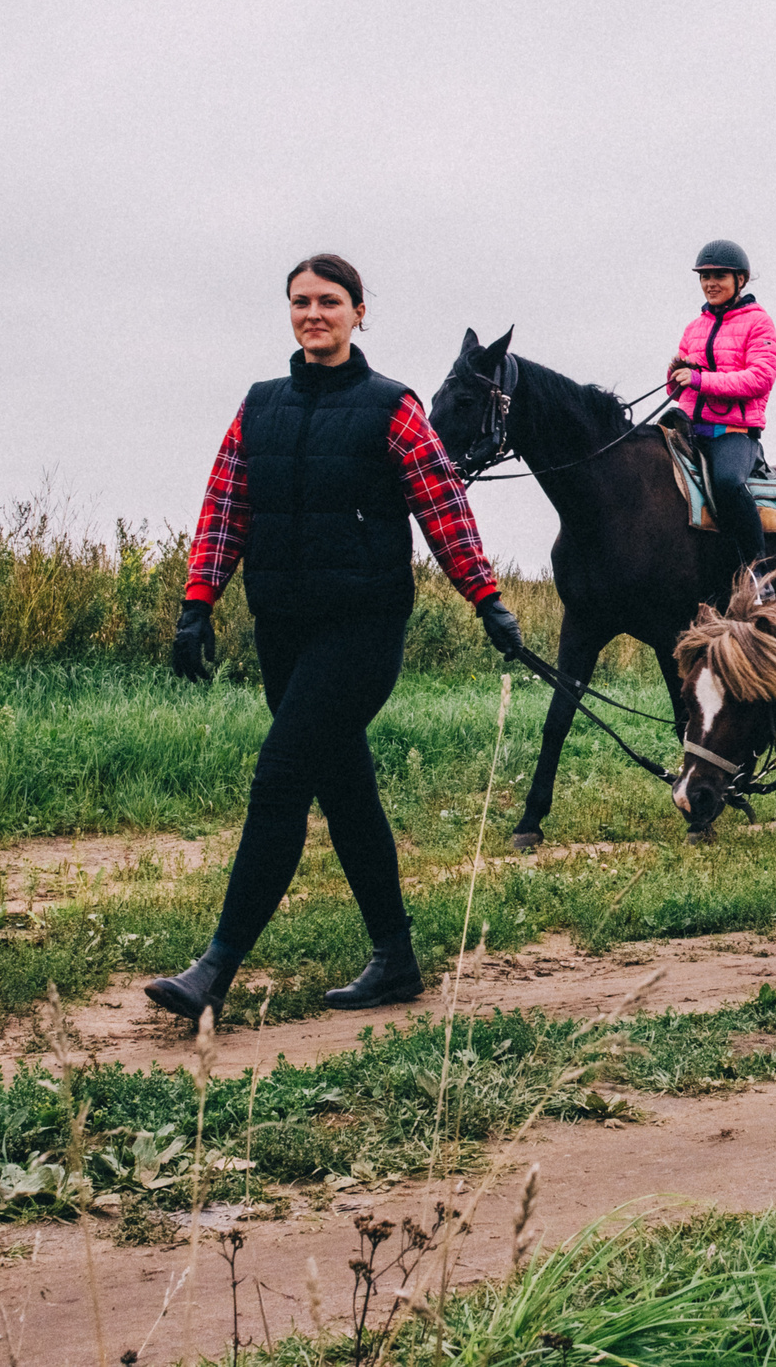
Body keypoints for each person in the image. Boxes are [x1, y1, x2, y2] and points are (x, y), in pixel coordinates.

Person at [145, 253, 525, 1025]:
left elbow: (443, 507)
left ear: (359, 312)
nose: (312, 314)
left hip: (362, 630)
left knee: (280, 778)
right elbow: (225, 507)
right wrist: (197, 604)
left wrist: (486, 598)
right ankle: (396, 957)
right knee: (345, 790)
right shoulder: (259, 406)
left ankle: (214, 967)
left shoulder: (393, 408)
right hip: (282, 630)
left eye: (329, 301)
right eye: (300, 302)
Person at [667, 240, 776, 571]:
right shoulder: (694, 327)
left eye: (719, 275)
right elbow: (678, 389)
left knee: (729, 483)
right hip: (688, 428)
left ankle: (757, 573)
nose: (710, 283)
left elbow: (760, 378)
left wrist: (702, 380)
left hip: (734, 433)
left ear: (740, 280)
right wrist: (675, 374)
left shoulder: (759, 323)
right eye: (704, 277)